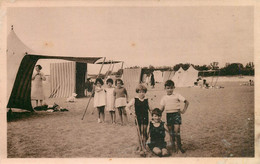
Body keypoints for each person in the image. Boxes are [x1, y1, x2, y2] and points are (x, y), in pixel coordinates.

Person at [160, 80, 189, 153]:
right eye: (168, 88)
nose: (169, 90)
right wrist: (157, 115)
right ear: (165, 88)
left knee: (177, 132)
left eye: (171, 88)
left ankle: (179, 147)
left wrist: (183, 110)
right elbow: (162, 108)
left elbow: (187, 102)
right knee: (171, 133)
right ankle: (173, 147)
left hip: (176, 114)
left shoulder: (177, 95)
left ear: (174, 87)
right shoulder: (164, 98)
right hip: (169, 115)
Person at [126, 84, 151, 155]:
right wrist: (131, 113)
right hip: (138, 118)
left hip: (145, 118)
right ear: (137, 92)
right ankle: (140, 147)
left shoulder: (147, 100)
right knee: (139, 133)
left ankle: (144, 146)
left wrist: (153, 115)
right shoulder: (134, 99)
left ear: (145, 92)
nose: (141, 93)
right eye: (139, 92)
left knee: (144, 133)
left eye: (143, 92)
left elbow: (150, 109)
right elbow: (127, 107)